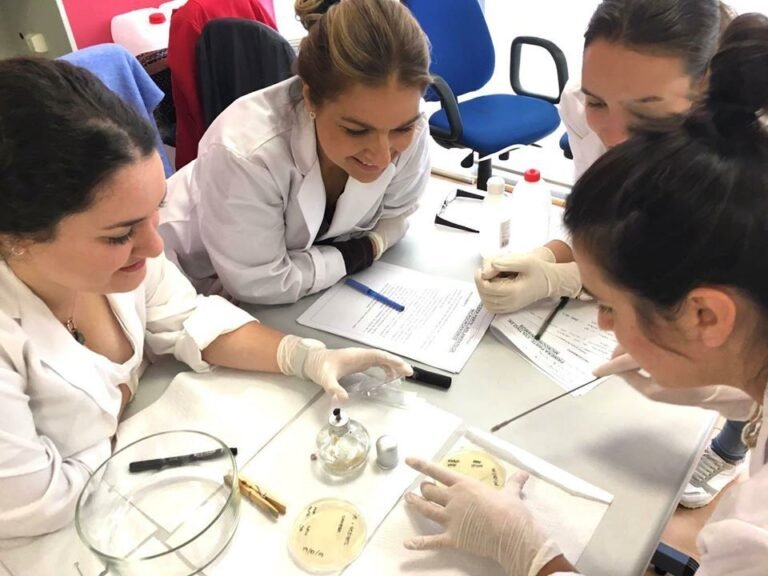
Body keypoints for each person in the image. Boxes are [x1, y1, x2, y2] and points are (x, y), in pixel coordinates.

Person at [405, 13, 768, 575]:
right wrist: (734, 392)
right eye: (599, 104)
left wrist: (533, 555)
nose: (613, 134)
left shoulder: (757, 530)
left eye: (611, 307)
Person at [0, 57, 413, 540]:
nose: (156, 248)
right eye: (119, 235)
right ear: (16, 236)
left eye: (155, 212)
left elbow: (190, 318)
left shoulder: (122, 262)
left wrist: (305, 357)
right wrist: (119, 404)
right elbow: (38, 504)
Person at [477, 0, 747, 509]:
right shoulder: (581, 105)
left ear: (707, 93)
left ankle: (732, 445)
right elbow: (605, 221)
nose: (614, 135)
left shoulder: (748, 149)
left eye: (647, 112)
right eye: (599, 102)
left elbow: (712, 265)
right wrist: (549, 264)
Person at [159, 0, 432, 304]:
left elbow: (398, 216)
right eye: (356, 130)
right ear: (310, 99)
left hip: (291, 294)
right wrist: (365, 250)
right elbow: (261, 283)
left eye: (401, 129)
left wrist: (362, 248)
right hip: (180, 282)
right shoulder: (246, 151)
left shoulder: (410, 122)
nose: (383, 157)